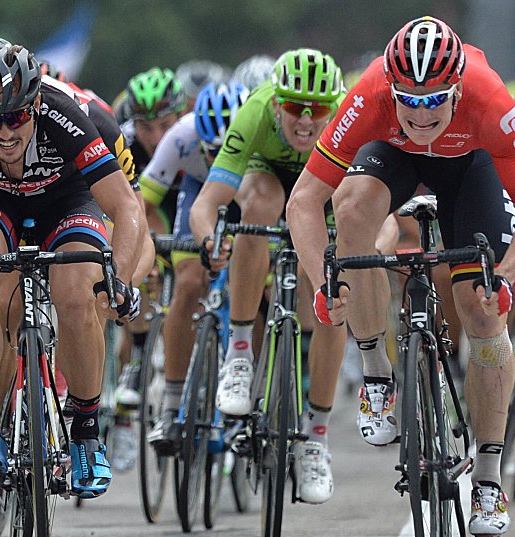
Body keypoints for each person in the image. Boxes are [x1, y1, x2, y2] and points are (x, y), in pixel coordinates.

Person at [286, 16, 515, 537]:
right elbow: (304, 201)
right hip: (393, 159)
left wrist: (502, 276)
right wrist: (324, 283)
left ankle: (488, 479)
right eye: (408, 99)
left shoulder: (492, 101)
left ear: (457, 90)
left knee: (480, 307)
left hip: (470, 169)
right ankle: (377, 374)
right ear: (391, 87)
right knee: (352, 208)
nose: (420, 113)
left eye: (434, 100)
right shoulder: (370, 95)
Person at [0, 39, 143, 500]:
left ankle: (84, 435)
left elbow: (126, 207)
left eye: (15, 116)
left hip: (67, 199)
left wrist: (117, 278)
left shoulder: (72, 116)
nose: (3, 132)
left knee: (79, 291)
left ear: (36, 102)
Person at [189, 48, 354, 506]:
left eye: (317, 109)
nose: (305, 119)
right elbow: (207, 205)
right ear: (276, 102)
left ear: (332, 106)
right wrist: (210, 241)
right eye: (294, 108)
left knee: (329, 290)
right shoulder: (255, 111)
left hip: (324, 181)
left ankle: (316, 440)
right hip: (270, 175)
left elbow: (368, 209)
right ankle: (239, 356)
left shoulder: (346, 120)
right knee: (257, 206)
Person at [141, 81, 250, 452]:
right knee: (187, 284)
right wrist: (156, 252)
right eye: (212, 150)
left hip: (249, 194)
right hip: (199, 196)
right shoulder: (180, 137)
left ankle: (251, 397)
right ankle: (171, 407)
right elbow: (145, 206)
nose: (220, 157)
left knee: (259, 288)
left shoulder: (257, 133)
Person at [108, 67, 188, 467]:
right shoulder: (124, 143)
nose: (155, 138)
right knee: (141, 285)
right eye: (145, 127)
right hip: (147, 218)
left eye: (164, 126)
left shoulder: (191, 138)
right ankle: (135, 365)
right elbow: (126, 209)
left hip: (186, 216)